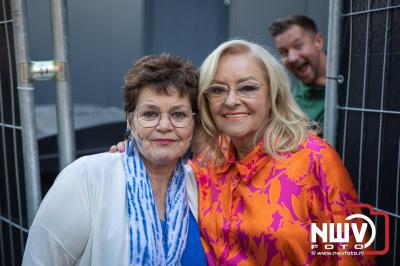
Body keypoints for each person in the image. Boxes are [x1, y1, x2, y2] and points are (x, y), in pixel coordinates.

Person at [112, 40, 373, 265]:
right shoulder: (208, 162)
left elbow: (352, 254)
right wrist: (133, 151)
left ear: (273, 92)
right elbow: (162, 174)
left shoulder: (315, 159)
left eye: (247, 87)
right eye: (218, 89)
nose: (231, 100)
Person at [22, 54, 206, 266]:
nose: (164, 125)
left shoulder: (199, 186)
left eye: (179, 115)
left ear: (194, 123)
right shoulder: (87, 178)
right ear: (130, 122)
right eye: (150, 114)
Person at [269, 15, 326, 128]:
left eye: (298, 46)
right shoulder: (291, 107)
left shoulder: (355, 77)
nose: (292, 58)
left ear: (318, 42)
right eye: (284, 52)